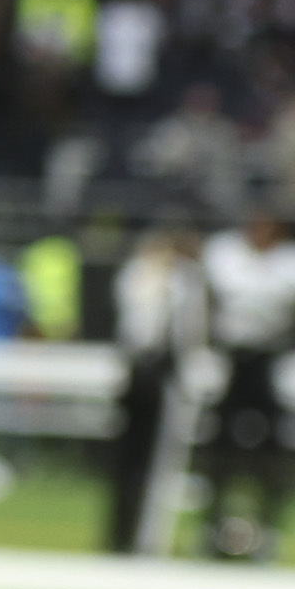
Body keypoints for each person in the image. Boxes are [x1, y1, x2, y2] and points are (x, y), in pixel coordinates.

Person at [196, 207, 295, 562]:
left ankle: (268, 526)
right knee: (219, 447)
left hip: (271, 361)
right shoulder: (224, 254)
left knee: (271, 451)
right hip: (231, 360)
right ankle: (210, 525)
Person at [105, 223, 204, 554]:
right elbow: (134, 325)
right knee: (127, 458)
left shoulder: (183, 281)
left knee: (158, 461)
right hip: (138, 371)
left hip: (165, 372)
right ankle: (119, 534)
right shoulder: (139, 277)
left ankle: (147, 538)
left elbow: (189, 331)